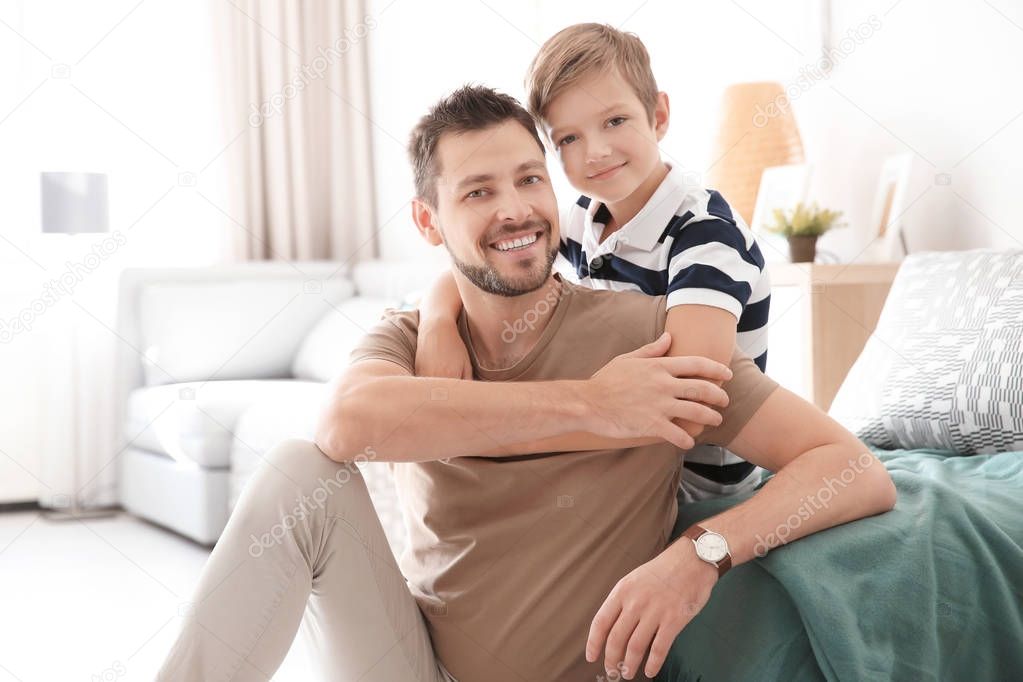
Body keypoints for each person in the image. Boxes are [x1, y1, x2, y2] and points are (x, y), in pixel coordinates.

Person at [157, 85, 895, 682]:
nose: (514, 209)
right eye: (476, 192)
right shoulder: (413, 337)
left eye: (529, 179)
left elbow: (852, 469)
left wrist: (699, 554)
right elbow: (343, 426)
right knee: (296, 469)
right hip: (410, 664)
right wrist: (593, 406)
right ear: (428, 222)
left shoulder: (646, 336)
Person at [414, 24, 772, 504]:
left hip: (696, 490)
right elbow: (488, 260)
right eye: (568, 139)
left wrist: (508, 432)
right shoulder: (584, 221)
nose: (596, 152)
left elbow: (690, 406)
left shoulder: (706, 236)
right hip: (621, 462)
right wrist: (437, 322)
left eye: (615, 121)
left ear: (659, 115)